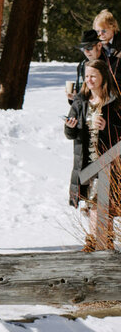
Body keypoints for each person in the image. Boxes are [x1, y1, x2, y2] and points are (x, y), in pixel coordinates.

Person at [64, 58, 121, 251]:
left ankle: (99, 247)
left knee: (99, 207)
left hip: (109, 162)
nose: (89, 80)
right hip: (86, 164)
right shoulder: (80, 102)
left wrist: (107, 127)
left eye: (93, 76)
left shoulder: (115, 101)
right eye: (86, 76)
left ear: (103, 77)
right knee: (93, 208)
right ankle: (102, 247)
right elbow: (71, 134)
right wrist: (69, 127)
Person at [74, 28, 120, 99]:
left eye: (89, 47)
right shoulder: (82, 66)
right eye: (83, 49)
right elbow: (79, 92)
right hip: (88, 108)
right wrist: (73, 98)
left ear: (99, 46)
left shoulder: (114, 64)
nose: (86, 52)